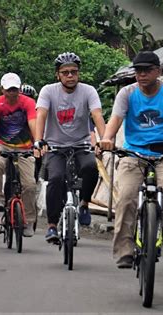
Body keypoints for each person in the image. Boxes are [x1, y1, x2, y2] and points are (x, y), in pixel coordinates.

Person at [99, 51, 163, 268]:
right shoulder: (127, 93)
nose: (142, 75)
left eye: (147, 70)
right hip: (133, 154)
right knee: (126, 197)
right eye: (138, 70)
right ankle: (124, 251)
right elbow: (115, 119)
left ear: (159, 71)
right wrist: (107, 139)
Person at [34, 52, 106, 243]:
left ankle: (83, 203)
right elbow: (41, 115)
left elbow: (97, 115)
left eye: (74, 72)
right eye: (65, 72)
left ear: (79, 73)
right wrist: (38, 140)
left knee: (91, 167)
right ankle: (51, 226)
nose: (70, 76)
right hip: (55, 146)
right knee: (56, 179)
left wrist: (104, 139)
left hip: (81, 144)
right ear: (58, 75)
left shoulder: (88, 91)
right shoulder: (48, 91)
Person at [0, 73, 38, 237]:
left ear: (20, 89)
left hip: (25, 148)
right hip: (2, 146)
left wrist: (37, 143)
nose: (12, 93)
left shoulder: (28, 103)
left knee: (29, 184)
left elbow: (33, 122)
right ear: (2, 89)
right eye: (9, 90)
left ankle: (29, 220)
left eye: (15, 89)